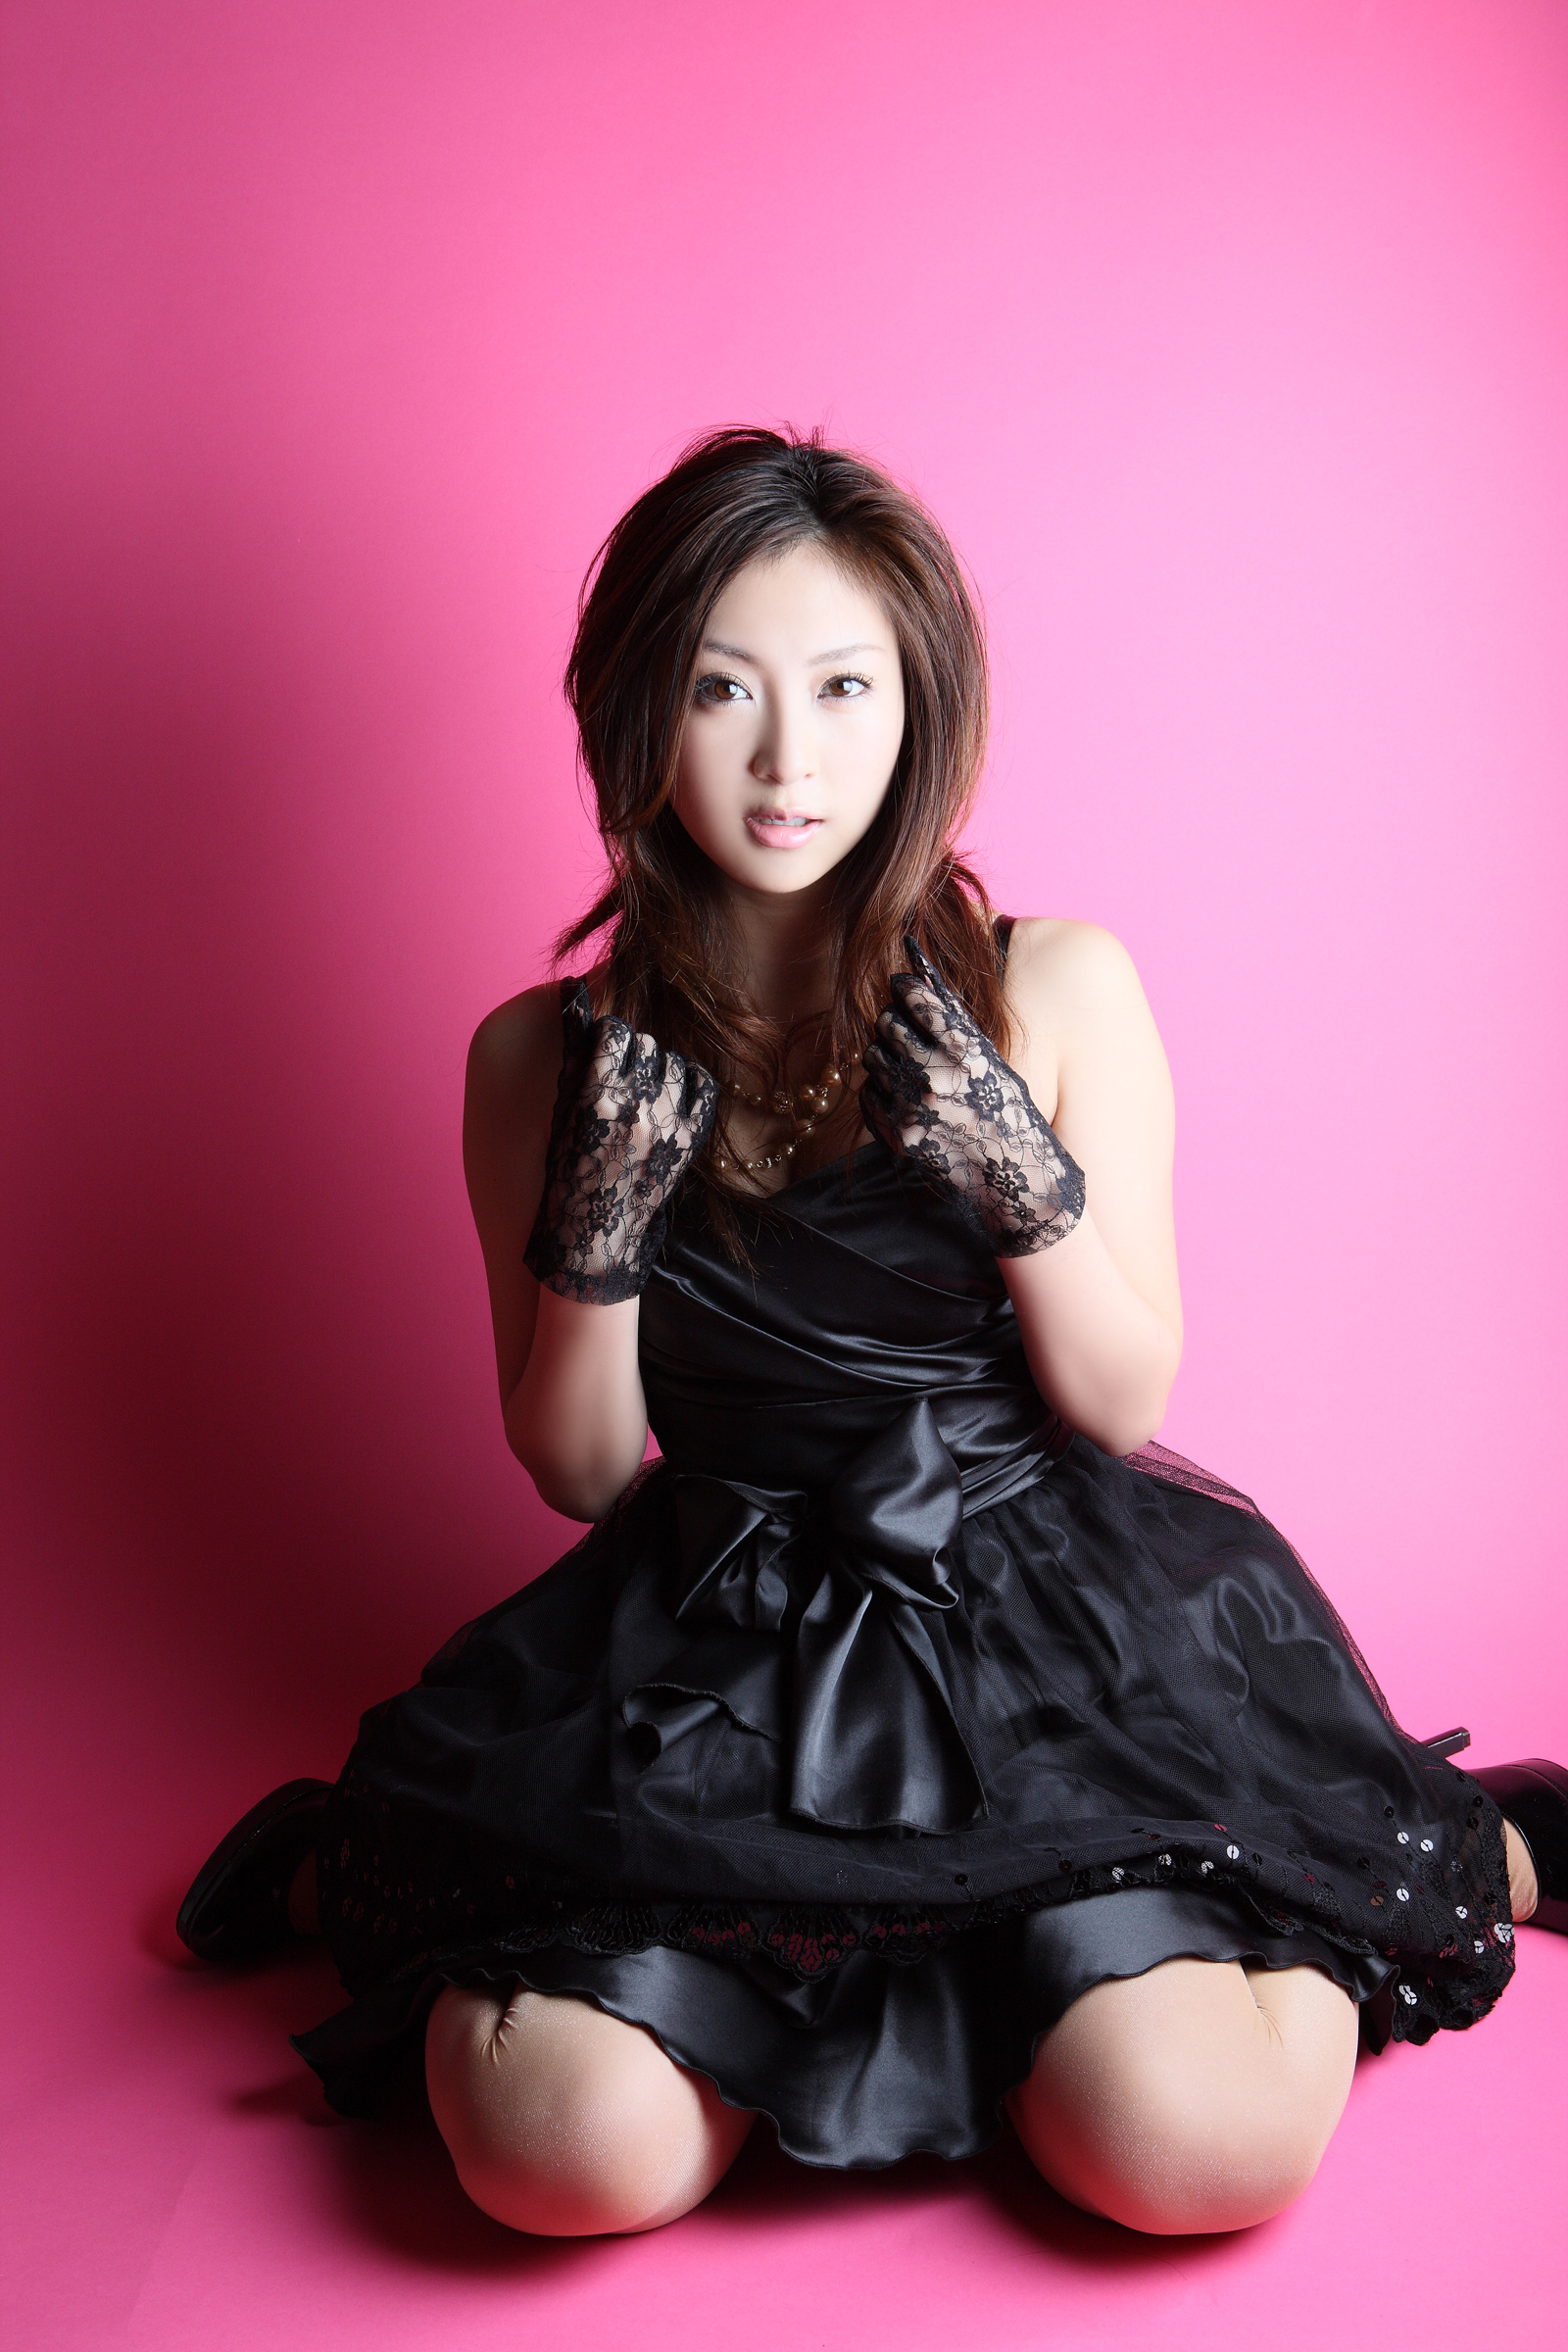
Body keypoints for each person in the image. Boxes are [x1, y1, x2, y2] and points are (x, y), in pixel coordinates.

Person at [177, 426, 1565, 2240]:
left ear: (919, 712)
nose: (789, 760)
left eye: (844, 688)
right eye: (723, 690)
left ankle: (1413, 1856)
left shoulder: (1059, 985)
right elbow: (579, 1470)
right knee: (556, 2157)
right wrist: (599, 1226)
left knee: (1191, 2151)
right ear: (637, 713)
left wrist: (1021, 1182)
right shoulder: (534, 1058)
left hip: (1043, 1614)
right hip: (712, 1632)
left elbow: (1121, 1395)